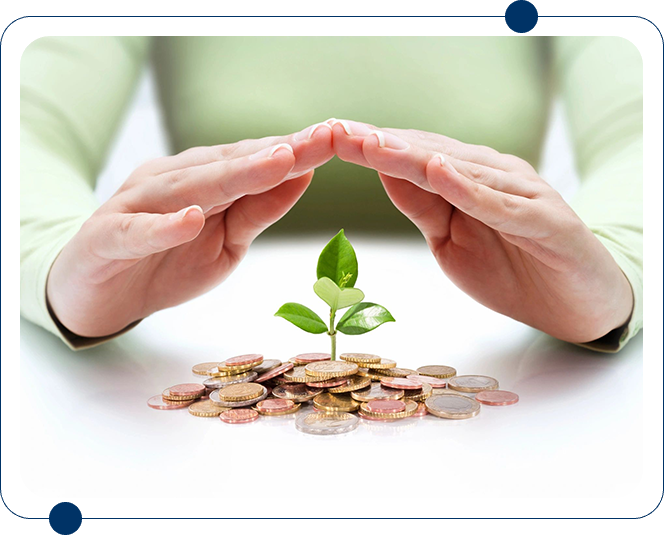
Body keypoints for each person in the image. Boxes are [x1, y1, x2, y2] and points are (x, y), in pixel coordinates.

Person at [20, 36, 650, 351]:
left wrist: (615, 271)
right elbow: (23, 118)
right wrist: (60, 268)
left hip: (517, 352)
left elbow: (644, 123)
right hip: (187, 338)